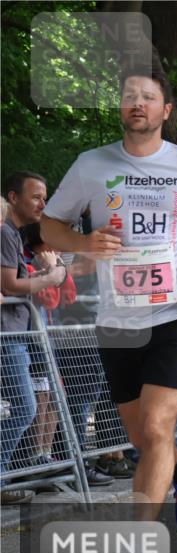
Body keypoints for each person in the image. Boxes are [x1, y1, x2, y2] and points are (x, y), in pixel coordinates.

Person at [40, 69, 177, 532]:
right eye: (129, 97)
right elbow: (50, 227)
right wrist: (85, 243)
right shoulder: (91, 165)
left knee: (155, 428)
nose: (138, 104)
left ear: (165, 111)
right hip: (118, 319)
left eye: (148, 97)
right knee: (143, 437)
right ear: (120, 108)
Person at [1, 172, 69, 504]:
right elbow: (10, 286)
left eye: (45, 197)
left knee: (25, 408)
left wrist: (47, 276)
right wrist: (52, 276)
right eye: (36, 197)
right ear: (13, 198)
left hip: (19, 334)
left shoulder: (15, 236)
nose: (43, 203)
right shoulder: (5, 233)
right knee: (26, 408)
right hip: (7, 336)